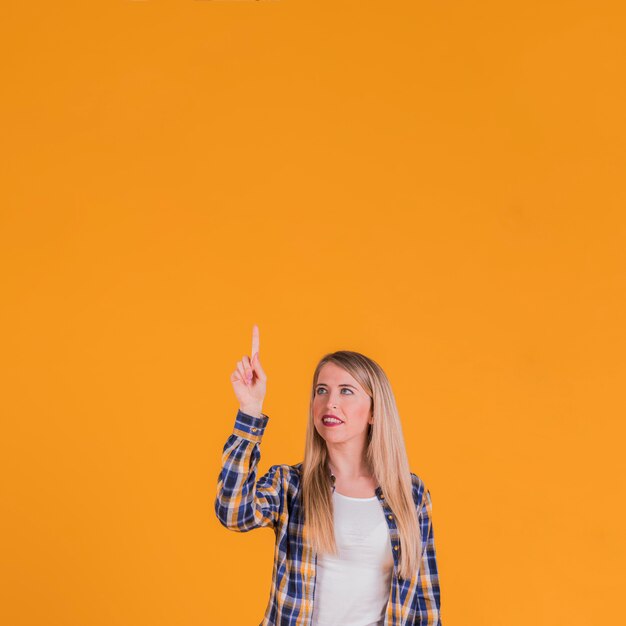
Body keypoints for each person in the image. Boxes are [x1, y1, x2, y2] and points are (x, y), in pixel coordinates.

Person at [215, 325, 442, 626]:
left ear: (374, 411)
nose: (329, 402)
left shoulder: (410, 493)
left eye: (346, 391)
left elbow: (425, 604)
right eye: (321, 390)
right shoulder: (291, 485)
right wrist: (251, 410)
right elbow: (233, 513)